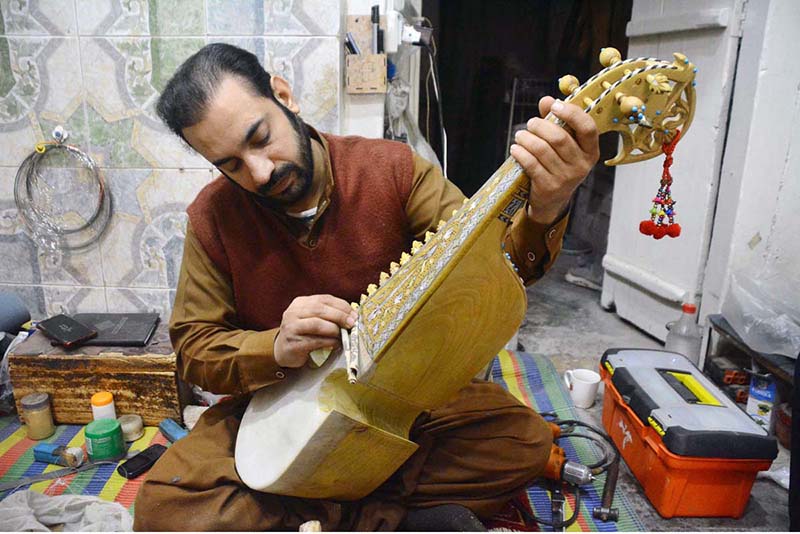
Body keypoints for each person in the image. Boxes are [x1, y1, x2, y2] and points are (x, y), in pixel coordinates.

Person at [133, 43, 599, 531]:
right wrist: (275, 346)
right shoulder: (213, 217)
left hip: (400, 396)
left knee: (522, 441)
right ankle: (378, 514)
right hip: (280, 410)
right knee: (162, 509)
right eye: (230, 164)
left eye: (260, 137)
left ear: (283, 94)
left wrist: (547, 207)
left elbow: (494, 262)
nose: (260, 172)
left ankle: (315, 510)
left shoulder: (394, 170)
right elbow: (194, 349)